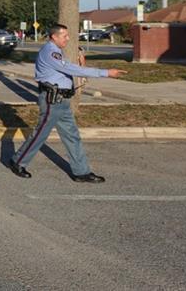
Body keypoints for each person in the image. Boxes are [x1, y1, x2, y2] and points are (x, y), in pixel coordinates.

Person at [9, 23, 126, 182]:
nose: (68, 38)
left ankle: (81, 172)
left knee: (72, 136)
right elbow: (72, 69)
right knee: (41, 134)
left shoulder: (57, 51)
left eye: (67, 35)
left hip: (62, 100)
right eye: (64, 36)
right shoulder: (50, 52)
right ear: (54, 36)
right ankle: (17, 161)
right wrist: (105, 72)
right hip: (52, 100)